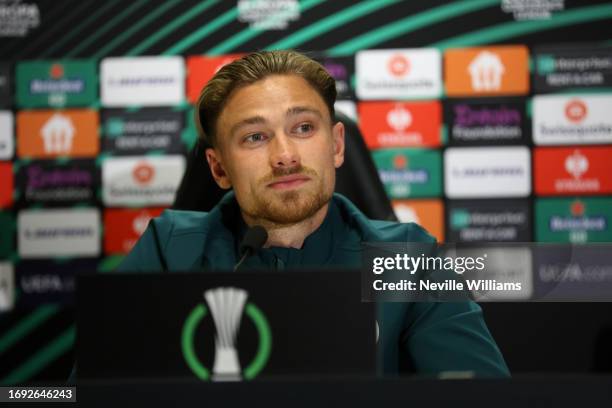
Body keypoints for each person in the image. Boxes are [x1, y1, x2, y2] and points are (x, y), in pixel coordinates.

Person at [118, 50, 510, 377]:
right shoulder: (167, 249)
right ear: (219, 168)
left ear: (337, 145)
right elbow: (91, 392)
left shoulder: (411, 258)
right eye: (255, 137)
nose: (285, 156)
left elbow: (482, 395)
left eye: (303, 127)